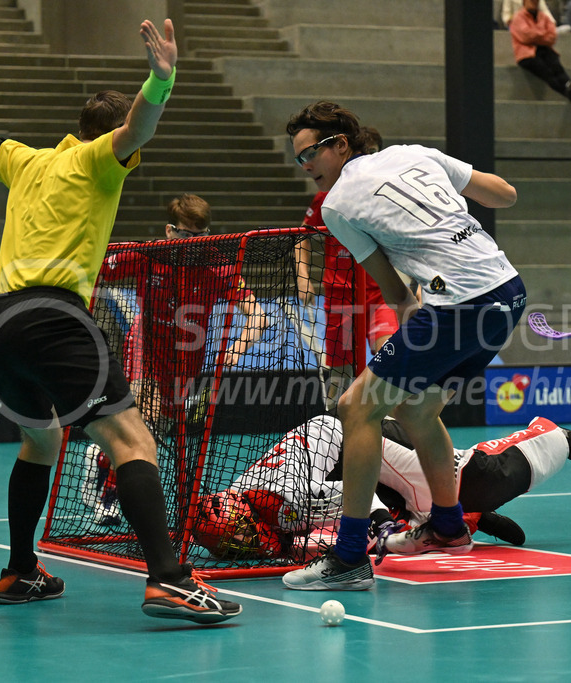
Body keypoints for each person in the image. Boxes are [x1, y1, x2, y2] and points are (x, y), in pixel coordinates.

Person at [0, 19, 242, 623]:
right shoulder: (100, 161)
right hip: (52, 316)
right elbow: (139, 125)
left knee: (40, 440)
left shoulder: (26, 160)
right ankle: (170, 580)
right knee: (132, 440)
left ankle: (20, 572)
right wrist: (162, 80)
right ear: (110, 137)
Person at [279, 101, 526, 591]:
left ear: (340, 144)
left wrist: (414, 308)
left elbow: (391, 292)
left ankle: (349, 557)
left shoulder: (336, 205)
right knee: (416, 412)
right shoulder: (416, 153)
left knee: (358, 408)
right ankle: (450, 529)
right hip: (509, 292)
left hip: (460, 305)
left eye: (309, 153)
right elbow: (505, 195)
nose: (305, 166)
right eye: (298, 158)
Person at [191, 414, 571, 561]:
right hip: (355, 467)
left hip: (364, 440)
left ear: (239, 514)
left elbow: (354, 496)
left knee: (474, 481)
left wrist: (386, 529)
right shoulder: (252, 507)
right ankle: (471, 517)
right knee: (428, 513)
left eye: (236, 538)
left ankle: (551, 436)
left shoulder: (279, 498)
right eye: (230, 547)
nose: (240, 546)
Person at [97, 193, 268, 433]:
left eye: (201, 236)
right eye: (187, 235)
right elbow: (97, 272)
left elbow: (259, 316)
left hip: (187, 357)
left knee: (157, 429)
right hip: (146, 344)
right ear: (170, 231)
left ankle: (103, 460)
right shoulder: (147, 255)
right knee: (145, 410)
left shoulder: (217, 266)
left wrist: (239, 346)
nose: (195, 244)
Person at [294, 126, 400, 409]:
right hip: (341, 298)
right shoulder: (327, 198)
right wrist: (303, 276)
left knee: (389, 361)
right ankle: (334, 430)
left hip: (381, 297)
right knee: (341, 377)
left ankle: (389, 427)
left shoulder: (388, 195)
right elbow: (300, 240)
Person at [510, 0, 571, 102]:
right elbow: (526, 36)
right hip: (527, 55)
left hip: (543, 50)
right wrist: (543, 35)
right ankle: (567, 91)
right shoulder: (518, 18)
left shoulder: (543, 17)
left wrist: (536, 35)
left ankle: (569, 84)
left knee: (556, 65)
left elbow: (552, 37)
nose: (534, 2)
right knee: (546, 71)